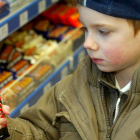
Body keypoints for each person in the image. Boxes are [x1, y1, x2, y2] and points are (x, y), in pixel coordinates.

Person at [1, 0, 140, 139]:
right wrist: (6, 129)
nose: (87, 43)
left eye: (103, 32)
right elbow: (41, 131)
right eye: (85, 28)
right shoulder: (77, 84)